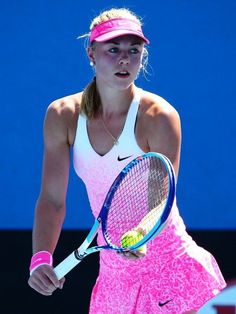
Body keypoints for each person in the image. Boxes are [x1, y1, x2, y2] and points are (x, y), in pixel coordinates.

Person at [28, 7, 226, 314]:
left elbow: (159, 199)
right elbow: (52, 199)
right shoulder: (62, 116)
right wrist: (41, 257)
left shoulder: (159, 117)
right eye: (113, 49)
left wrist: (138, 235)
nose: (124, 59)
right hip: (113, 279)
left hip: (169, 271)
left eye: (134, 50)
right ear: (91, 53)